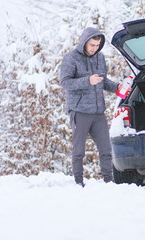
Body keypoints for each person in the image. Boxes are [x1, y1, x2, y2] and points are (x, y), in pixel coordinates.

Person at [60, 27, 119, 187]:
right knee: (79, 151)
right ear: (84, 42)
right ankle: (78, 182)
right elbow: (65, 82)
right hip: (79, 111)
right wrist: (87, 81)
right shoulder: (71, 58)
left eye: (97, 45)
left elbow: (103, 81)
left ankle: (109, 182)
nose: (94, 48)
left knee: (106, 149)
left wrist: (118, 89)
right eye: (92, 45)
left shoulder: (100, 57)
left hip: (98, 111)